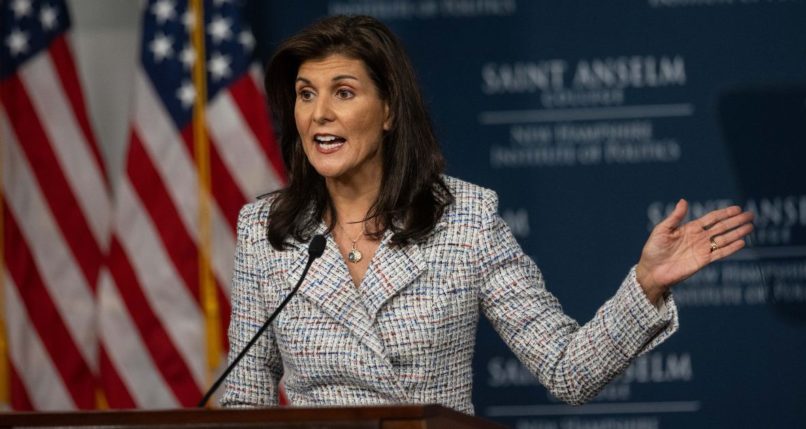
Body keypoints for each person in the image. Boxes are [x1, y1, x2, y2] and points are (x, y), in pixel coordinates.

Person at [220, 15, 754, 413]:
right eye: (305, 94)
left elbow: (567, 371)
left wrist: (646, 284)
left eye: (343, 92)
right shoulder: (267, 230)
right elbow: (244, 399)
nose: (319, 114)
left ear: (387, 111)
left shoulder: (464, 220)